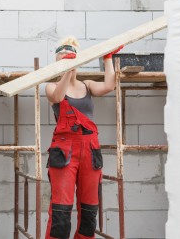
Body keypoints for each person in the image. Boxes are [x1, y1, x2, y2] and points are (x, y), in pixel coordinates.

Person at [44, 36, 123, 239]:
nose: (65, 61)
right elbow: (59, 97)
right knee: (61, 211)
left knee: (89, 210)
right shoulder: (51, 87)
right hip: (64, 152)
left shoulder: (87, 85)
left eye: (68, 58)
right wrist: (67, 71)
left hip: (90, 150)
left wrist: (107, 58)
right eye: (61, 59)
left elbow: (108, 85)